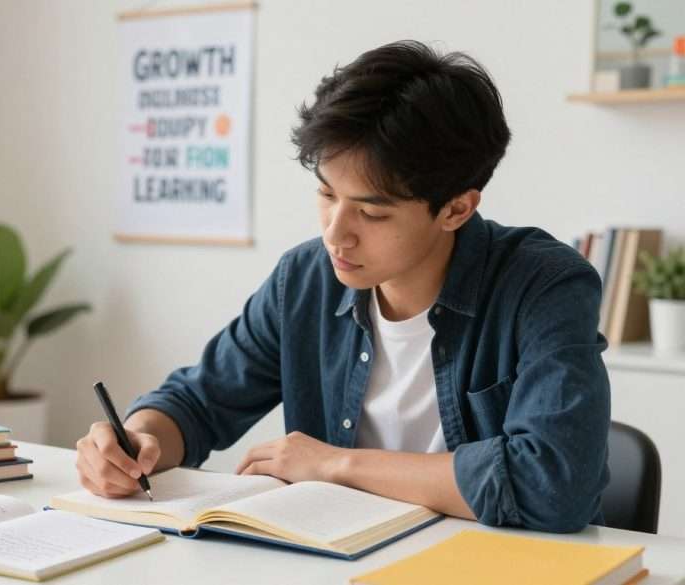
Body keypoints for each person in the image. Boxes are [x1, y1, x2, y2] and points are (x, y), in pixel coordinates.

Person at [75, 40, 610, 533]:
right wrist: (138, 439)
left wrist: (335, 464)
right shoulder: (305, 279)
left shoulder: (544, 286)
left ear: (456, 208)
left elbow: (554, 486)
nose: (335, 233)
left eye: (372, 212)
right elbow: (198, 401)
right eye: (327, 195)